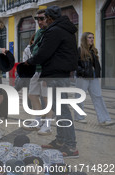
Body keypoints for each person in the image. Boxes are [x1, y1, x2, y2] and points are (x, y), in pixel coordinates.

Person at [25, 6, 79, 158]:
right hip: (59, 74)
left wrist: (30, 62)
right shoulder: (64, 29)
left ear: (49, 17)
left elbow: (43, 53)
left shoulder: (55, 31)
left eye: (44, 18)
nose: (43, 21)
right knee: (58, 108)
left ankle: (71, 145)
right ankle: (61, 140)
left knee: (62, 110)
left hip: (56, 75)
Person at [24, 9, 53, 135]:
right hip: (37, 69)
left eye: (42, 18)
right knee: (32, 95)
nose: (39, 21)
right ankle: (37, 121)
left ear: (48, 18)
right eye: (37, 19)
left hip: (47, 71)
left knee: (47, 98)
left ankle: (47, 125)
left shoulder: (52, 32)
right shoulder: (39, 33)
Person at [75, 32, 114, 126]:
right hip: (82, 77)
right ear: (85, 39)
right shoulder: (79, 50)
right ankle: (79, 117)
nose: (92, 39)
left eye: (92, 37)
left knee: (98, 97)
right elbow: (74, 64)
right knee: (79, 98)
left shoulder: (93, 51)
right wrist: (82, 72)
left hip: (93, 77)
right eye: (89, 37)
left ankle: (104, 119)